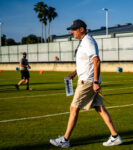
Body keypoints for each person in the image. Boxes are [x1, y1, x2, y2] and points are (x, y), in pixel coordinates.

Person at [50, 19, 122, 148]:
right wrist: (74, 73)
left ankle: (65, 140)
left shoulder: (87, 41)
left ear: (81, 29)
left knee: (73, 108)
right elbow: (85, 63)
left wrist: (95, 82)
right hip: (88, 80)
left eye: (74, 30)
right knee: (100, 108)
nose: (72, 32)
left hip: (88, 82)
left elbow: (96, 61)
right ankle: (115, 136)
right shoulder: (84, 42)